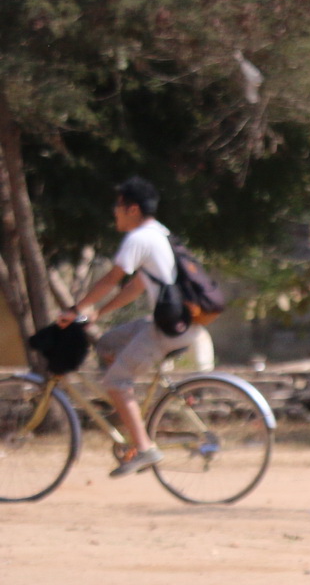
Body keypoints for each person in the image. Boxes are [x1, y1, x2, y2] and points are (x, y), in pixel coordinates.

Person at [55, 177, 210, 477]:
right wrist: (99, 312)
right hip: (176, 321)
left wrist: (76, 310)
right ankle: (130, 411)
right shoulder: (158, 234)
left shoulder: (138, 238)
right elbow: (138, 284)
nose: (114, 211)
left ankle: (145, 446)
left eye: (118, 205)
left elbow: (112, 279)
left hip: (169, 328)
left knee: (114, 382)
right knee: (108, 343)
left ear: (133, 209)